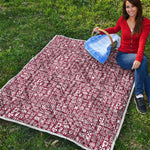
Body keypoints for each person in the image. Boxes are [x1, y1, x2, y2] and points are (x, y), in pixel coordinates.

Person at [93, 0, 150, 114]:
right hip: (123, 56)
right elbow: (114, 30)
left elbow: (142, 42)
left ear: (138, 7)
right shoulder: (122, 20)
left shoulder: (146, 22)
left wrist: (138, 58)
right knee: (143, 61)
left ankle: (139, 96)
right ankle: (139, 95)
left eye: (133, 6)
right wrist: (100, 31)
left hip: (136, 54)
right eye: (128, 7)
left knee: (142, 63)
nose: (130, 9)